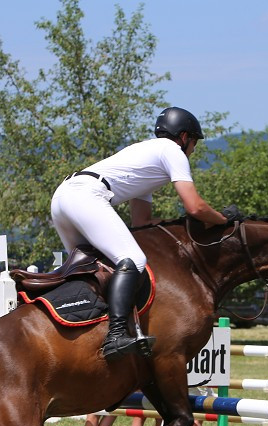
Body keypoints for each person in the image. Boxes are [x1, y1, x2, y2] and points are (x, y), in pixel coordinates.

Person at [50, 107, 236, 359]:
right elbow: (195, 206)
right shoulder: (172, 151)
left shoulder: (147, 157)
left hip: (64, 197)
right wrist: (223, 220)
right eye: (194, 142)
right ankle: (115, 335)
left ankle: (80, 327)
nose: (193, 149)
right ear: (183, 137)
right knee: (134, 260)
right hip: (86, 196)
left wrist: (178, 224)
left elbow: (141, 221)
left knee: (91, 267)